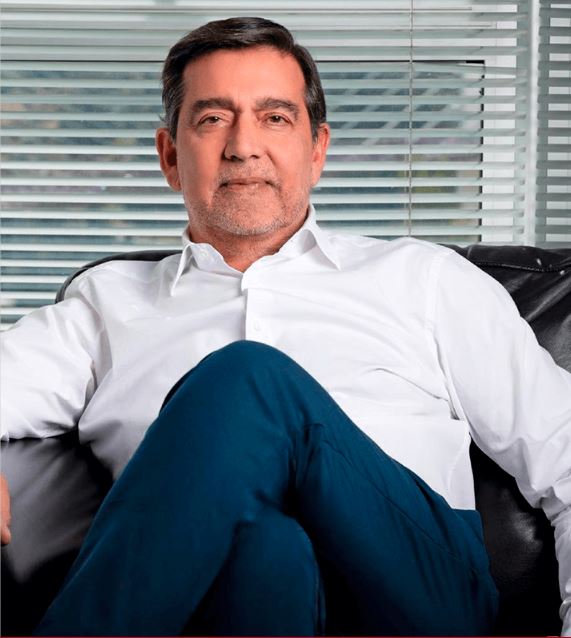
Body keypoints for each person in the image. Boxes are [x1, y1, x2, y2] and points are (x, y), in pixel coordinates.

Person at [1, 16, 570, 637]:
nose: (244, 146)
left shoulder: (427, 279)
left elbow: (564, 454)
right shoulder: (106, 304)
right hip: (232, 595)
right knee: (264, 547)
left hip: (417, 591)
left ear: (317, 149)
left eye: (274, 117)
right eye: (213, 118)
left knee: (247, 378)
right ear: (170, 156)